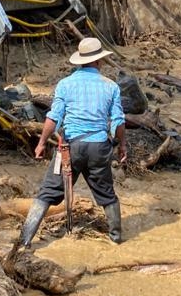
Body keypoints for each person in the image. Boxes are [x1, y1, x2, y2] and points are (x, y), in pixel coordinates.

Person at [18, 37, 127, 247]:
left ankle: (24, 241)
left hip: (69, 150)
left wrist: (41, 143)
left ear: (80, 61)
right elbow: (118, 122)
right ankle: (116, 239)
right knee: (106, 194)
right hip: (99, 148)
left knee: (48, 192)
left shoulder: (65, 84)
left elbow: (53, 117)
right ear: (99, 62)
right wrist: (122, 145)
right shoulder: (111, 86)